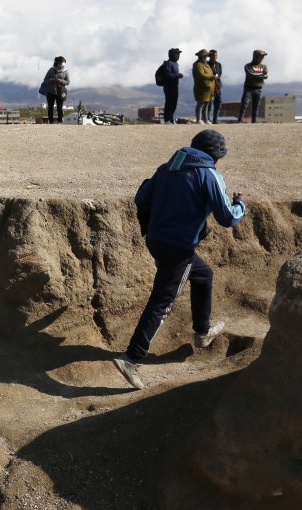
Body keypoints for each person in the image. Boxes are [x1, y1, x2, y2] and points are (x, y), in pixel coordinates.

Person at [114, 130, 247, 389]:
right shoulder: (209, 174)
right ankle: (131, 358)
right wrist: (241, 205)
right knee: (163, 301)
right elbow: (228, 218)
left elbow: (142, 198)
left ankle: (202, 331)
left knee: (203, 275)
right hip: (178, 246)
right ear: (215, 156)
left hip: (156, 239)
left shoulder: (167, 168)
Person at [237, 49, 268, 123]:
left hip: (259, 88)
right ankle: (240, 120)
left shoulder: (264, 66)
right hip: (248, 88)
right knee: (244, 104)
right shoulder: (248, 66)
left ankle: (254, 121)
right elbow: (250, 74)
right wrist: (261, 75)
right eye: (261, 56)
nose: (262, 58)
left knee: (256, 106)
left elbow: (266, 76)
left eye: (263, 57)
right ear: (256, 56)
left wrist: (257, 75)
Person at [42, 56, 70, 124]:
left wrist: (61, 81)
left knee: (59, 108)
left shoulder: (65, 71)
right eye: (62, 63)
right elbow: (45, 80)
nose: (63, 64)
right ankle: (50, 121)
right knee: (50, 107)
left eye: (64, 63)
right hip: (50, 91)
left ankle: (60, 121)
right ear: (58, 63)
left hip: (60, 92)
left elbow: (68, 82)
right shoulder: (51, 70)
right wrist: (52, 80)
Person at [160, 48, 183, 124]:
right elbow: (167, 75)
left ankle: (171, 119)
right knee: (169, 103)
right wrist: (177, 75)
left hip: (175, 87)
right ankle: (167, 120)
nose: (178, 56)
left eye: (178, 54)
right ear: (172, 55)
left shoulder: (175, 64)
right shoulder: (168, 64)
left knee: (174, 103)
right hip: (169, 87)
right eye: (177, 54)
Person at [192, 49, 216, 124]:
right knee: (200, 104)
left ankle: (205, 119)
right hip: (201, 88)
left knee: (206, 104)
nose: (206, 57)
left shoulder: (205, 64)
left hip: (208, 88)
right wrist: (211, 76)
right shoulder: (198, 64)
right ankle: (198, 119)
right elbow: (201, 74)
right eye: (205, 56)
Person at [207, 50, 223, 124]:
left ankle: (215, 119)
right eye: (213, 55)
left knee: (218, 102)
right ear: (209, 56)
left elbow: (219, 73)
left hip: (217, 86)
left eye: (216, 55)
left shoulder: (219, 64)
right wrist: (212, 77)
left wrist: (216, 76)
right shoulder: (207, 64)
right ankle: (207, 119)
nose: (215, 57)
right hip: (209, 86)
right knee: (209, 103)